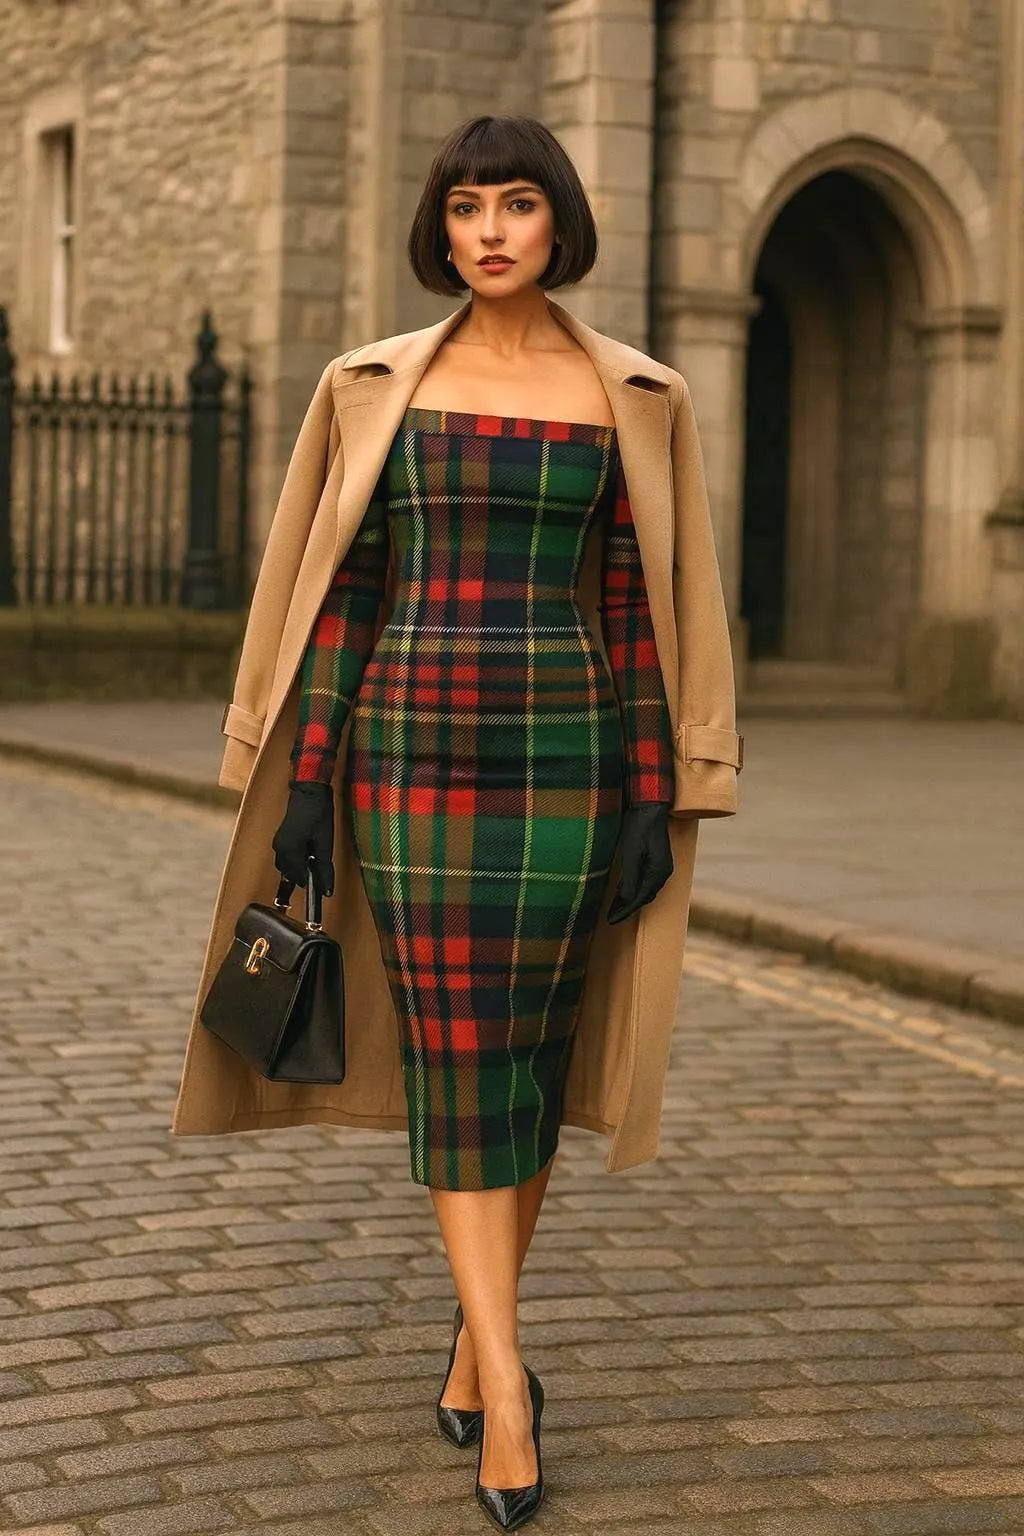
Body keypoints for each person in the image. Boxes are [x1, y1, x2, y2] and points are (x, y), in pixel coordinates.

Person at [269, 114, 682, 1532]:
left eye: (517, 204)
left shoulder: (631, 394)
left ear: (558, 222)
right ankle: (508, 1388)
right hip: (409, 756)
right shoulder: (382, 383)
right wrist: (310, 779)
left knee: (531, 1053)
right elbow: (350, 595)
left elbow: (636, 608)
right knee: (456, 1055)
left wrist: (651, 788)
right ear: (438, 230)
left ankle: (469, 1341)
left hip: (569, 757)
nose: (491, 229)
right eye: (465, 207)